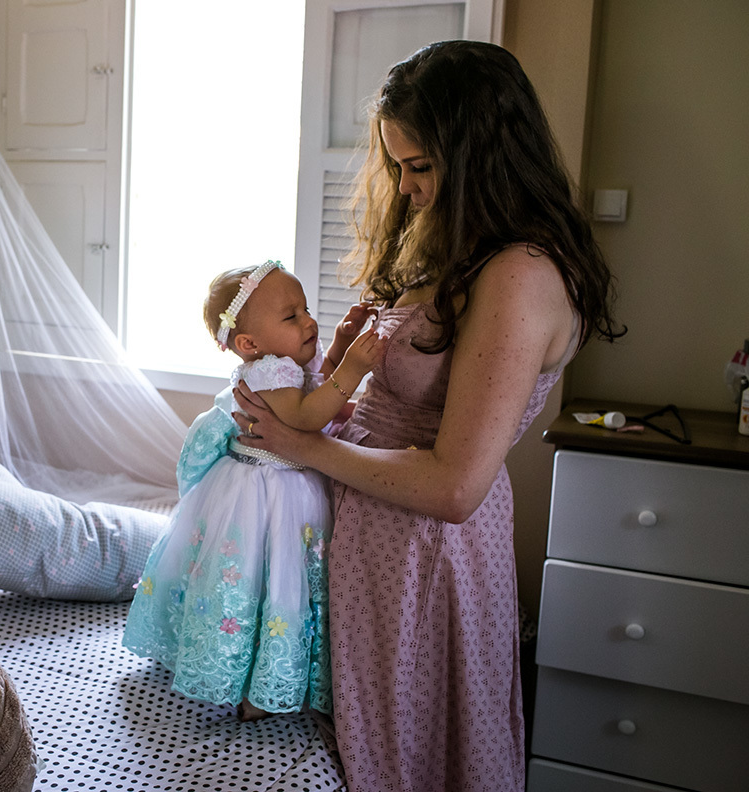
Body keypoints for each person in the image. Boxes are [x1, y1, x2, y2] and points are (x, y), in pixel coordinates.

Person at [232, 41, 622, 789]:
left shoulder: (520, 275)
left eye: (420, 166)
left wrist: (298, 445)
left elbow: (453, 486)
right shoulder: (461, 243)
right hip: (374, 540)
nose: (406, 187)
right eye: (397, 165)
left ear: (482, 154)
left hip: (421, 557)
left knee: (410, 755)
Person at [123, 259, 386, 721]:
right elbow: (307, 415)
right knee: (264, 580)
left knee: (276, 583)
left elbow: (313, 388)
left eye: (306, 309)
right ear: (249, 344)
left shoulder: (282, 365)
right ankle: (253, 683)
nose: (308, 321)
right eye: (291, 316)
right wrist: (354, 370)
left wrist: (340, 347)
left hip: (285, 483)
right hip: (267, 493)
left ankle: (266, 674)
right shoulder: (266, 373)